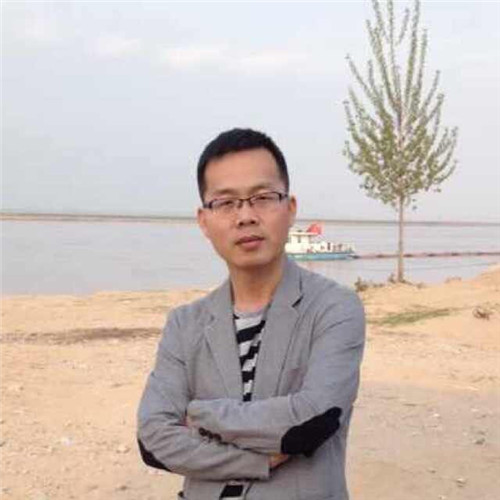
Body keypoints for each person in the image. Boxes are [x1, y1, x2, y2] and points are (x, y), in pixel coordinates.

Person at [137, 128, 365, 500]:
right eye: (226, 202)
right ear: (203, 220)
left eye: (262, 197)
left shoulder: (334, 308)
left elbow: (311, 421)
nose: (245, 216)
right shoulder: (184, 324)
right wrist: (256, 459)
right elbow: (153, 440)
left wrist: (199, 415)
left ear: (290, 208)